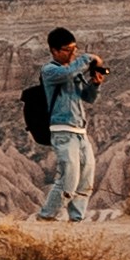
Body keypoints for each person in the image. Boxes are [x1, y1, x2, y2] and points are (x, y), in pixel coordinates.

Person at [23, 29, 107, 220]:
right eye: (67, 50)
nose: (72, 54)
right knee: (68, 178)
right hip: (62, 131)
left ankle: (76, 221)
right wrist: (90, 58)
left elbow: (89, 98)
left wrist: (95, 84)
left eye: (75, 49)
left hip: (80, 131)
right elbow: (69, 72)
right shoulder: (51, 71)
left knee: (86, 178)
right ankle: (46, 217)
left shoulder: (73, 73)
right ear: (54, 50)